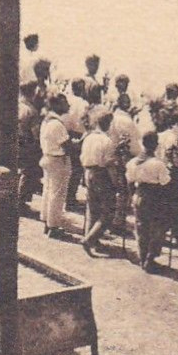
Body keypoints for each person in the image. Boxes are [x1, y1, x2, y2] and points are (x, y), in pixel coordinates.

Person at [127, 131, 174, 271]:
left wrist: (132, 197)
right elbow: (166, 183)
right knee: (157, 228)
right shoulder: (157, 164)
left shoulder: (133, 162)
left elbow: (129, 181)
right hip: (155, 197)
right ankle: (150, 257)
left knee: (141, 228)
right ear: (155, 145)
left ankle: (143, 258)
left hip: (138, 194)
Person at [79, 111, 121, 257]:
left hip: (88, 172)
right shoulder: (107, 141)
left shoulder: (88, 138)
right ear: (108, 124)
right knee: (108, 211)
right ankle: (89, 239)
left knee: (92, 209)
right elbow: (109, 165)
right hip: (101, 174)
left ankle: (92, 240)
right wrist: (116, 183)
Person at [39, 95, 72, 238]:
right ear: (57, 105)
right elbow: (67, 146)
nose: (68, 106)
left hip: (48, 157)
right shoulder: (57, 124)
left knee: (48, 191)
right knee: (57, 194)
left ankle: (47, 221)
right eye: (65, 103)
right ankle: (53, 226)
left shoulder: (46, 121)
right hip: (57, 160)